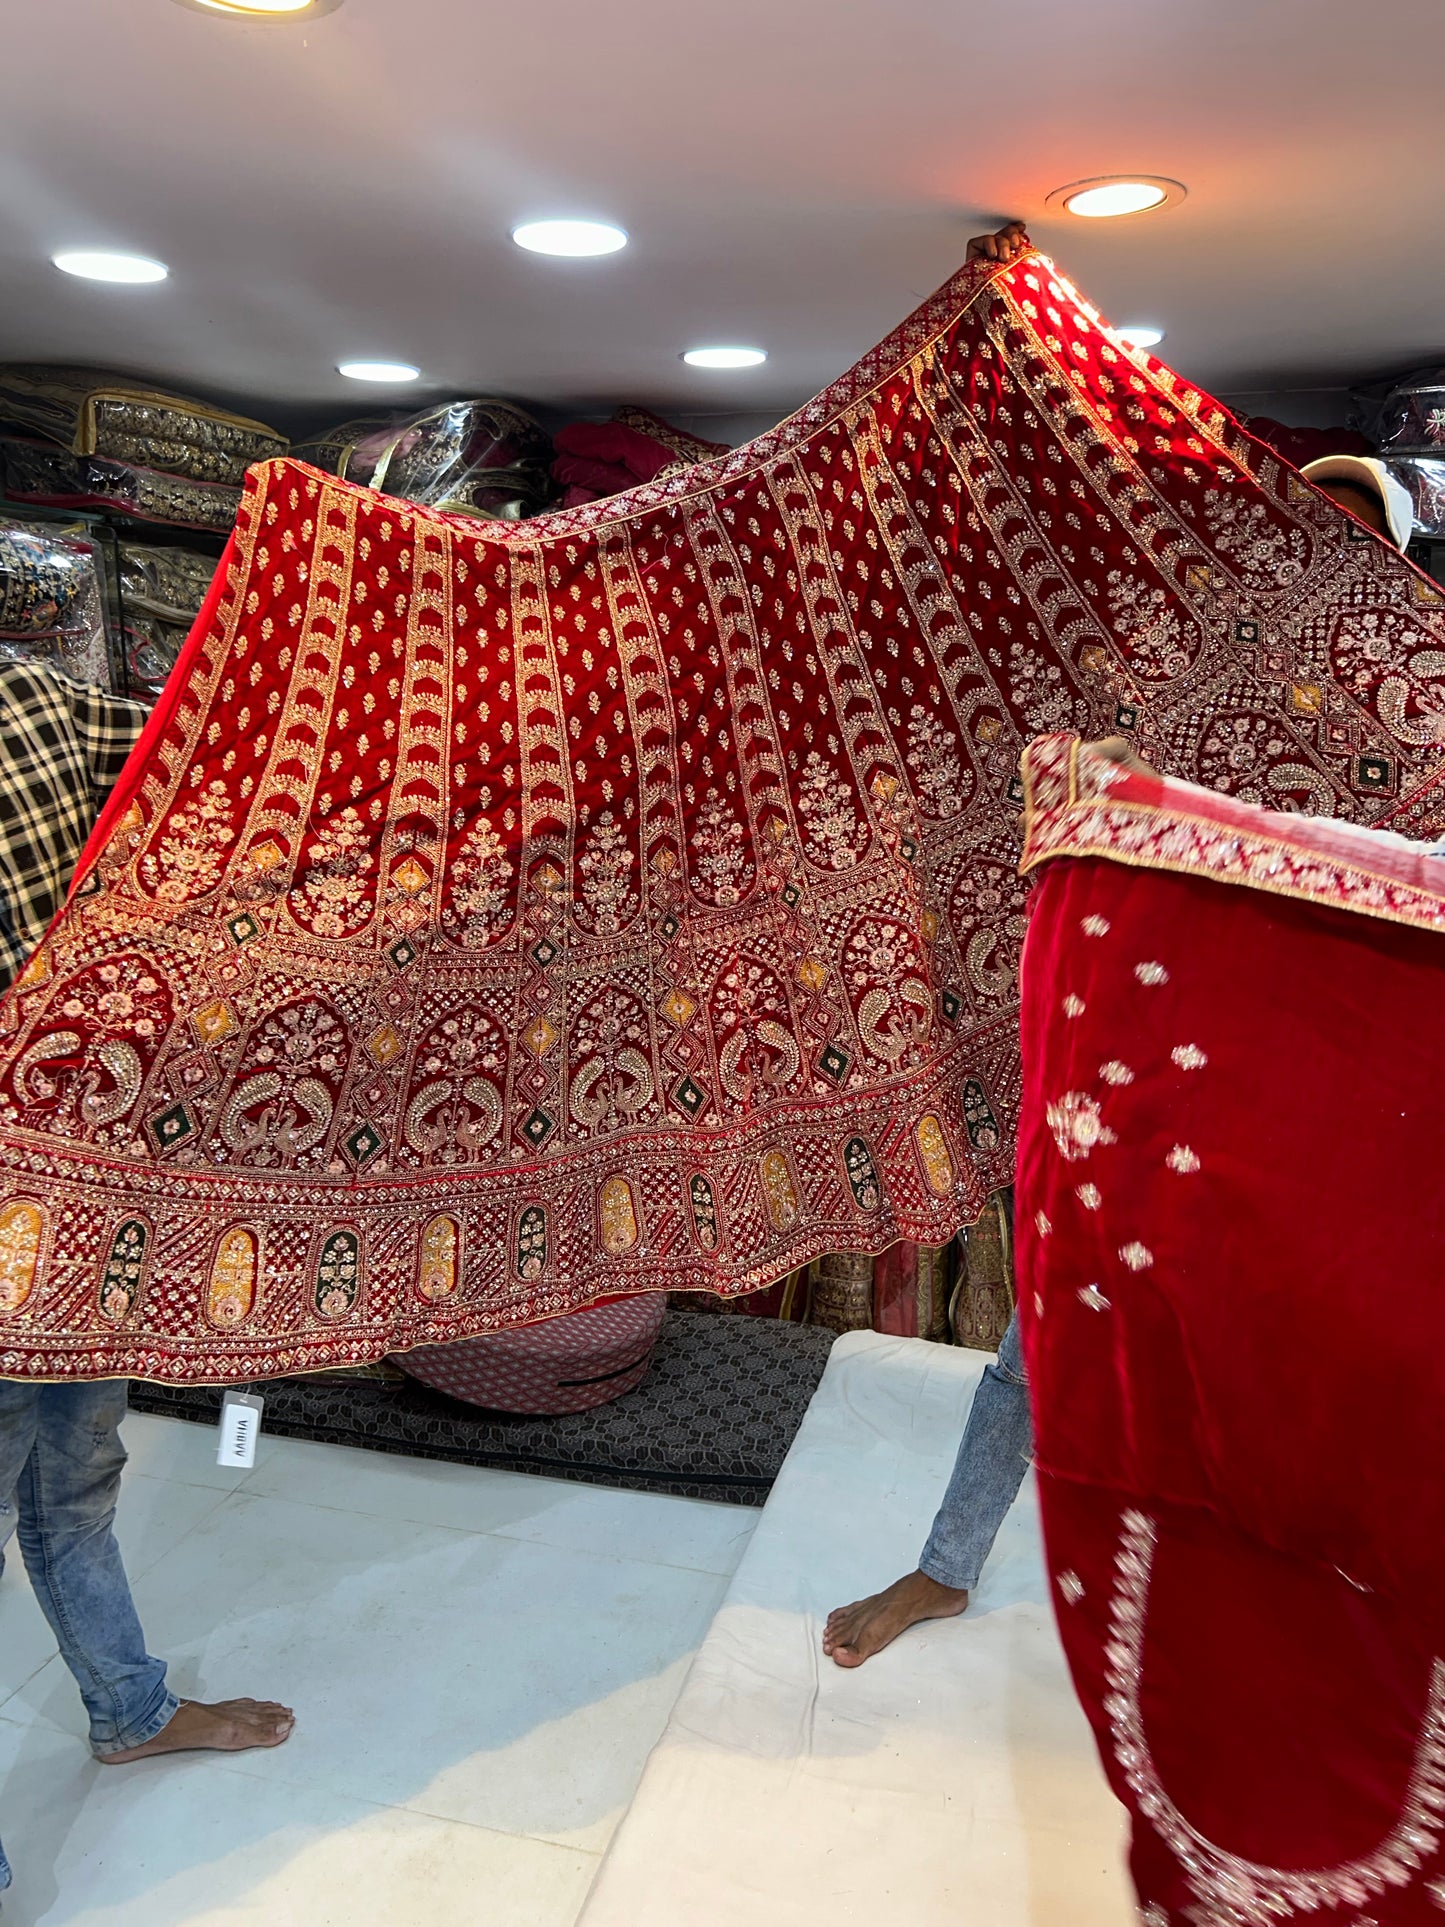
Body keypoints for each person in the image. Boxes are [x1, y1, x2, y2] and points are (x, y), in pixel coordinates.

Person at [823, 270, 1421, 1669]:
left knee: (1301, 1353)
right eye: (1307, 542)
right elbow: (1082, 811)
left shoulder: (1419, 729)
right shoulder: (1196, 698)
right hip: (1164, 1061)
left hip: (1324, 1102)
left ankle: (1289, 1586)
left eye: (1352, 548)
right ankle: (945, 1565)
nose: (1321, 570)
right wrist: (1093, 781)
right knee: (1048, 1327)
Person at [0, 659, 294, 1899]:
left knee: (75, 1487)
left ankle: (130, 1707)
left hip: (79, 1221)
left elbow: (237, 757)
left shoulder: (34, 709)